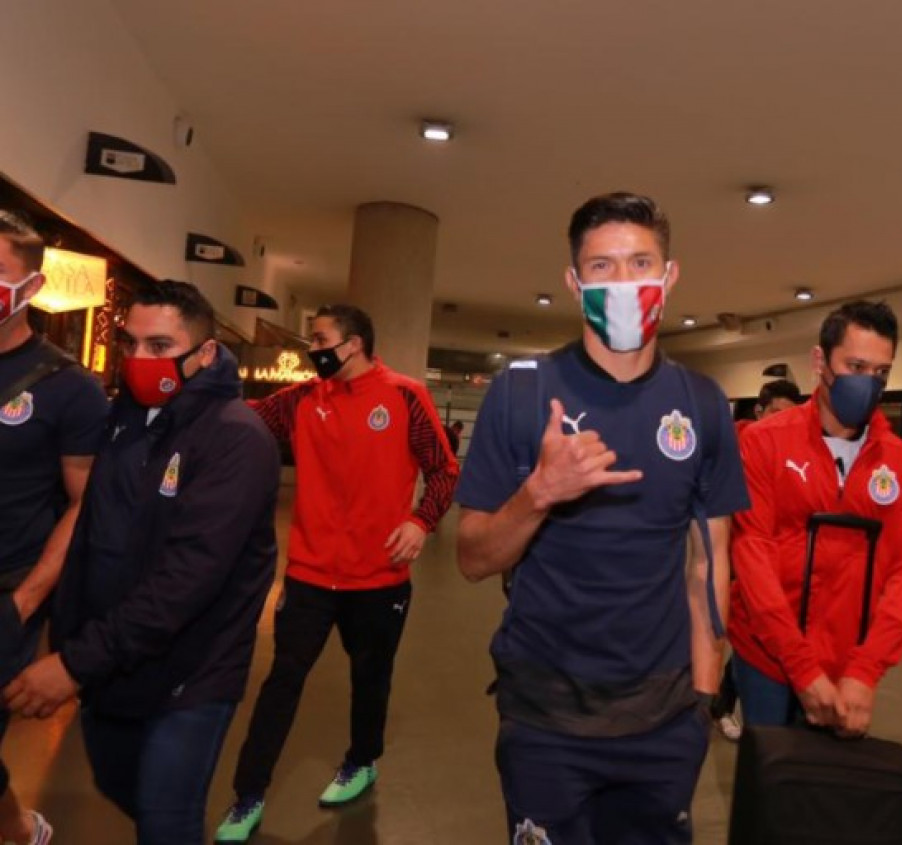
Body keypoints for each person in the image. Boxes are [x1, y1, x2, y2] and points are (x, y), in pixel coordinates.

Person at [454, 192, 749, 844]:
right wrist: (539, 493)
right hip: (545, 714)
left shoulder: (702, 404)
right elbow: (472, 558)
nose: (623, 282)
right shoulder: (521, 392)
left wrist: (703, 699)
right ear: (574, 281)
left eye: (640, 263)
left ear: (669, 275)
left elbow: (709, 563)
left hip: (665, 715)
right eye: (602, 266)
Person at [4, 280, 279, 845]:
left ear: (205, 353)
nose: (139, 358)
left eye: (160, 346)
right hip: (115, 662)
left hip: (193, 671)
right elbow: (94, 529)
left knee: (164, 819)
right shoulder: (125, 421)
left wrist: (75, 663)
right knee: (117, 782)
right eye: (130, 343)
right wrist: (71, 637)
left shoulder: (237, 438)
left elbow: (188, 578)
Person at [214, 304, 458, 843]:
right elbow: (242, 419)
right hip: (308, 576)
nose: (313, 349)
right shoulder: (301, 400)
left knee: (371, 678)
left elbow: (444, 470)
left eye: (321, 340)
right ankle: (248, 795)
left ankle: (362, 761)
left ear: (353, 345)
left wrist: (421, 521)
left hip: (380, 578)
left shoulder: (405, 396)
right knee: (282, 682)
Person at [730, 300, 902, 737]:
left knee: (824, 778)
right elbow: (752, 553)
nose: (868, 383)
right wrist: (801, 667)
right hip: (765, 653)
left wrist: (866, 669)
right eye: (856, 366)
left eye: (881, 372)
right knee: (769, 771)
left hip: (848, 664)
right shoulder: (765, 443)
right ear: (820, 361)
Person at [0, 211, 107, 845]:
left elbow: (83, 503)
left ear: (32, 287)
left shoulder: (69, 388)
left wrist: (25, 601)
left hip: (7, 586)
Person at [715, 378, 803, 741]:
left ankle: (722, 701)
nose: (781, 421)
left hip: (772, 564)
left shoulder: (793, 454)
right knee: (742, 636)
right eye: (775, 412)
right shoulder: (735, 447)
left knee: (758, 642)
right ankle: (721, 702)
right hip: (734, 555)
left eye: (789, 415)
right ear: (759, 411)